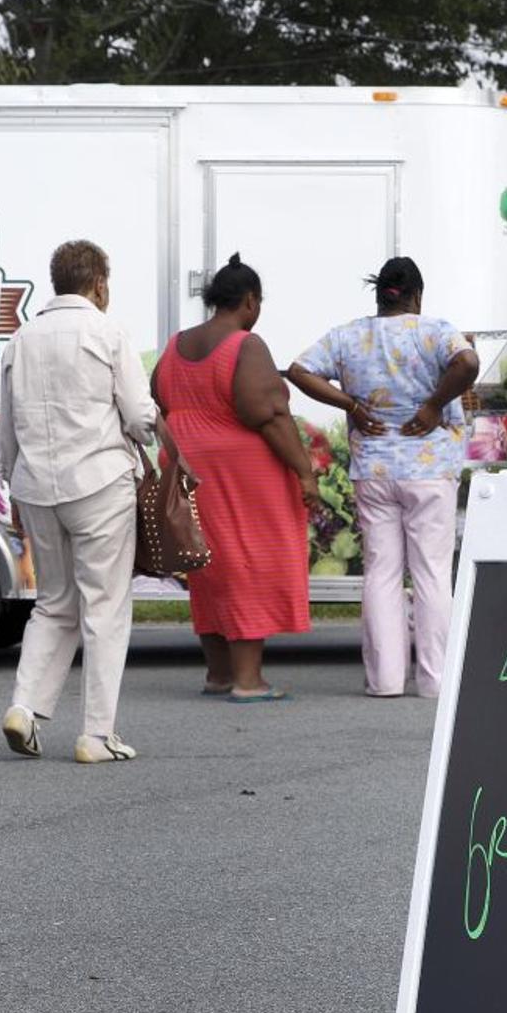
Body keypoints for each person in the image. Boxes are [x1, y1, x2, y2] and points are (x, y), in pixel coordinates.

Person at [287, 256, 478, 699]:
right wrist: (433, 405)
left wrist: (351, 407)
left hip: (373, 471)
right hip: (429, 470)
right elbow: (467, 363)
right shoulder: (434, 331)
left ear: (380, 298)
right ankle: (435, 681)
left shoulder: (348, 335)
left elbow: (299, 371)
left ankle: (385, 680)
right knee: (431, 573)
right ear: (417, 295)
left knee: (382, 573)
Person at [0, 240, 155, 763]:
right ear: (100, 284)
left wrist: (12, 479)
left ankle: (24, 706)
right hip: (99, 483)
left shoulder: (22, 338)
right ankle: (96, 734)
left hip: (36, 486)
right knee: (104, 608)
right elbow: (137, 415)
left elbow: (7, 428)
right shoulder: (107, 332)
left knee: (54, 603)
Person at [153, 253, 317, 702]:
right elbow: (267, 413)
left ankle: (218, 673)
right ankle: (249, 680)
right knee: (246, 561)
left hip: (187, 466)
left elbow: (159, 395)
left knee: (207, 565)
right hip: (238, 472)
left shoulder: (175, 345)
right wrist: (304, 472)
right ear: (249, 300)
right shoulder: (247, 344)